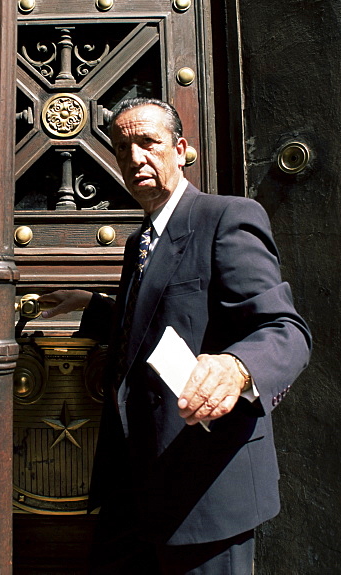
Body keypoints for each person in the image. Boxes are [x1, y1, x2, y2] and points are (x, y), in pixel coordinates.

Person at [39, 98, 311, 574]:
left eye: (148, 142)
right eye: (122, 148)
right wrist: (87, 304)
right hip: (133, 483)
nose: (134, 158)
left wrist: (237, 366)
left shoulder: (227, 217)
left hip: (204, 487)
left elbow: (285, 330)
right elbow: (153, 323)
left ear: (180, 149)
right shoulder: (138, 241)